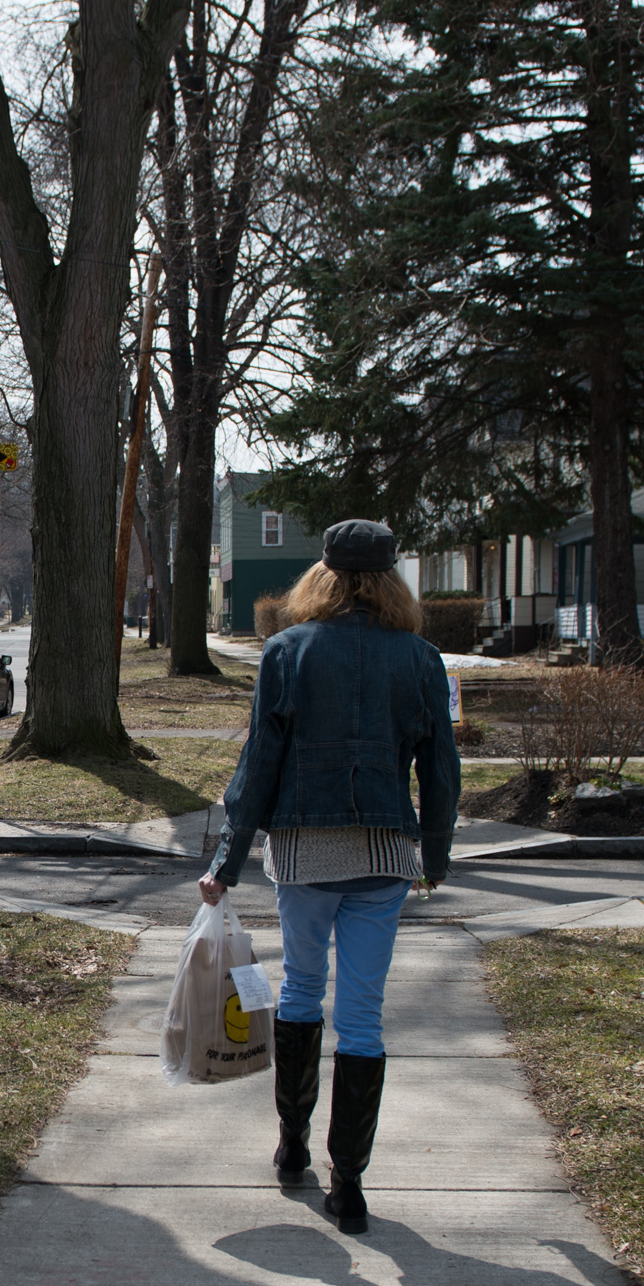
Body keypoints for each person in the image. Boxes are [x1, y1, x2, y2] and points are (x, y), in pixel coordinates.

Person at [197, 520, 460, 1235]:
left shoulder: (286, 652)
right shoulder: (421, 658)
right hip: (384, 856)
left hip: (306, 853)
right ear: (391, 581)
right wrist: (434, 857)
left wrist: (227, 862)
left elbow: (258, 771)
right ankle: (350, 1186)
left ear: (323, 576)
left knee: (302, 992)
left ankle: (292, 1145)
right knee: (364, 1016)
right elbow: (440, 768)